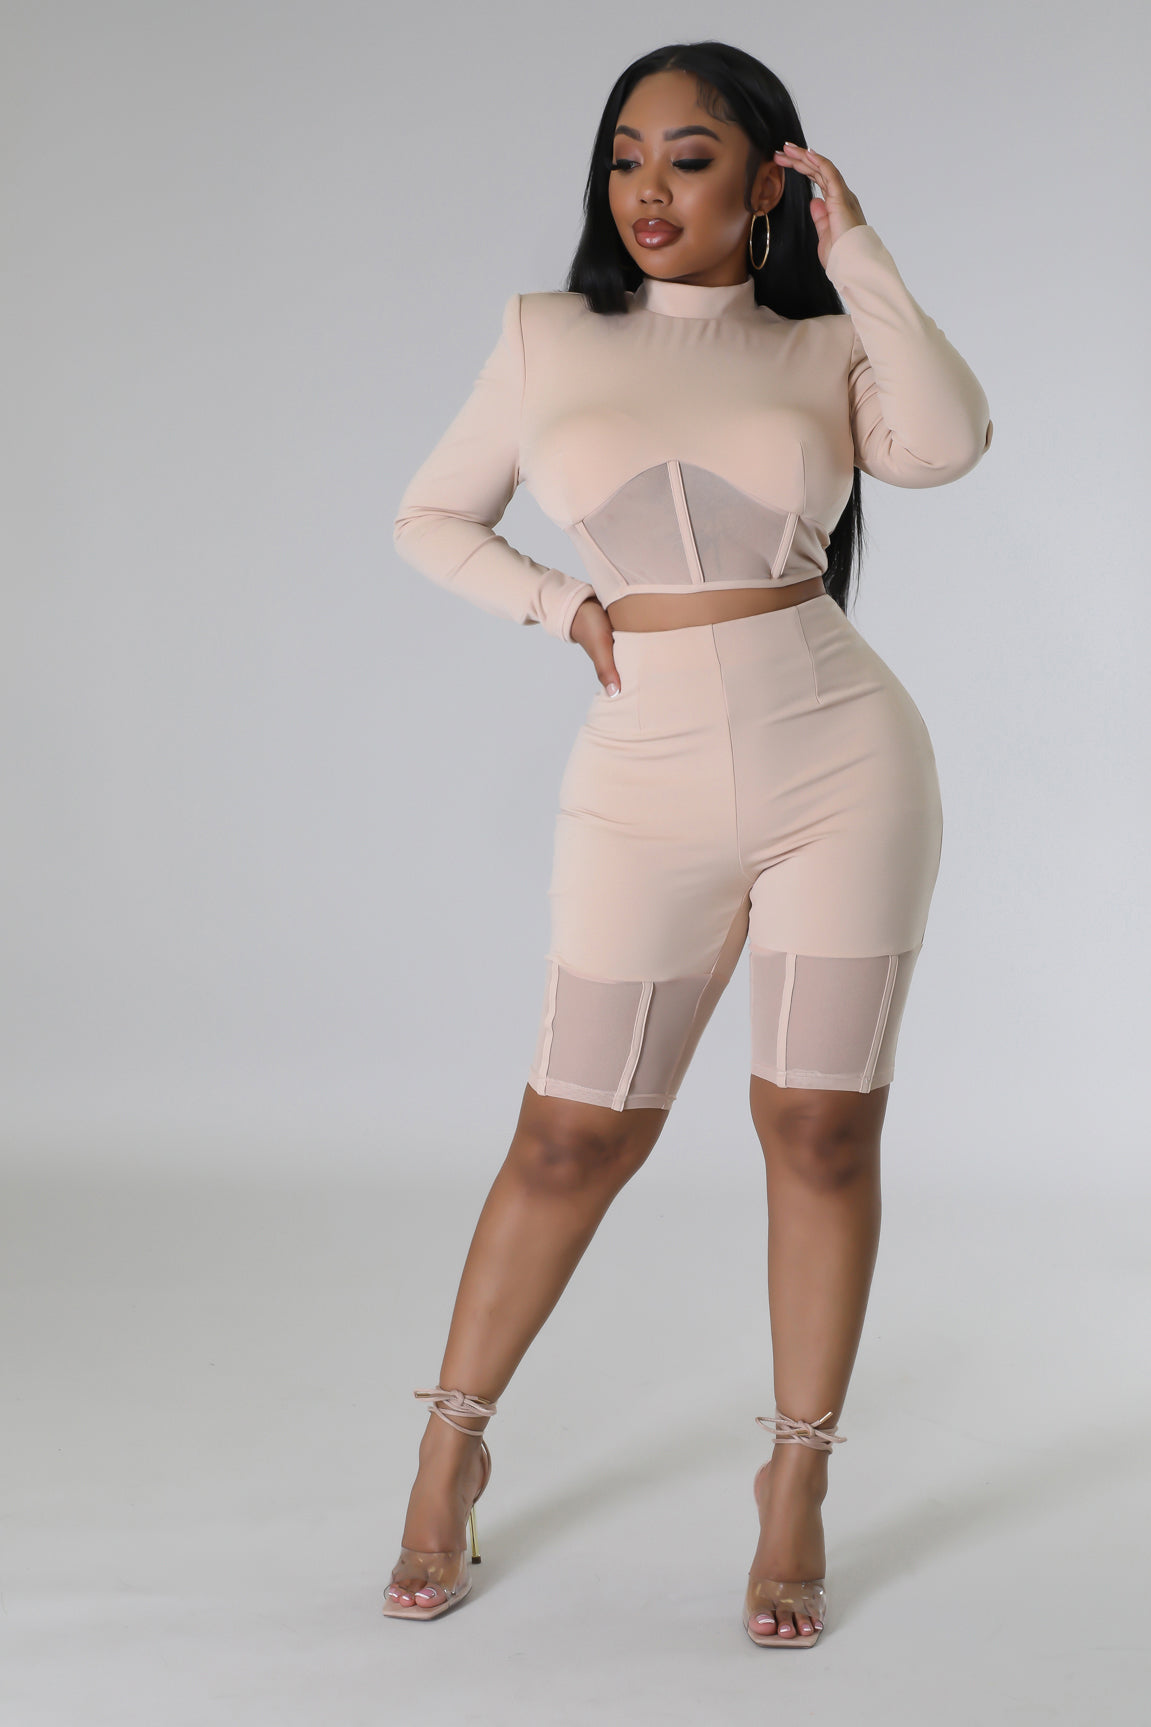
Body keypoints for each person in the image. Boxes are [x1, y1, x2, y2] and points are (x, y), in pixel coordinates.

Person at [384, 40, 993, 1646]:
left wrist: (858, 251)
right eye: (626, 156)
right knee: (571, 1135)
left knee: (822, 1130)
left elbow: (948, 441)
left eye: (692, 157)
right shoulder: (547, 335)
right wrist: (558, 603)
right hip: (641, 777)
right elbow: (429, 517)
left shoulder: (823, 347)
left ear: (768, 181)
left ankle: (795, 1482)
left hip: (841, 760)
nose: (649, 189)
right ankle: (451, 1449)